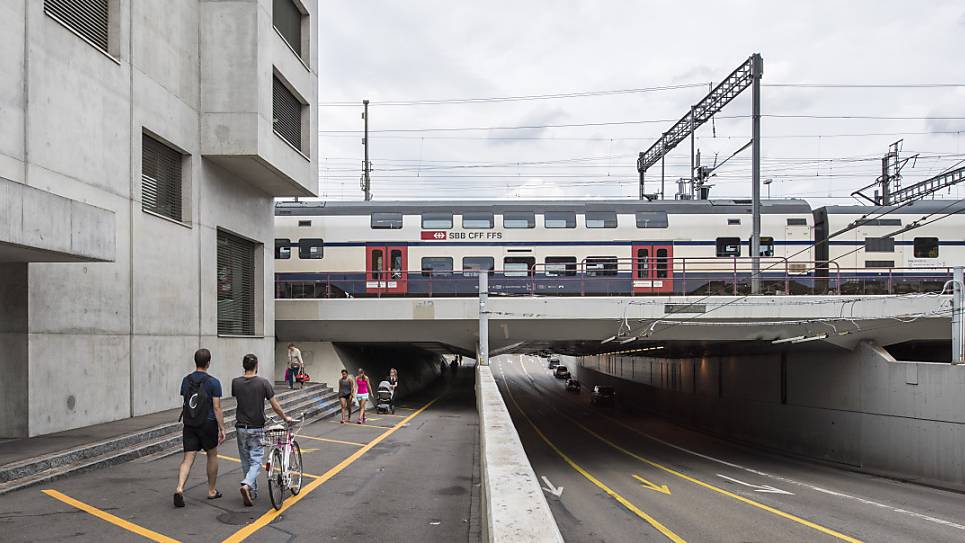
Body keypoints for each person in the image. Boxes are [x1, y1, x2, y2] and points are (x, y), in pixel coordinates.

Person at [231, 353, 292, 507]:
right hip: (256, 427)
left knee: (246, 460)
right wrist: (285, 418)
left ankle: (252, 491)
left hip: (240, 427)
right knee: (256, 460)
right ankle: (247, 485)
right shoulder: (263, 383)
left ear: (243, 365)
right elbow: (275, 405)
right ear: (256, 365)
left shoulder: (235, 383)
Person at [174, 348, 225, 508]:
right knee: (212, 455)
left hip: (190, 423)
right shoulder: (213, 382)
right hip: (208, 423)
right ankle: (211, 490)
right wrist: (222, 428)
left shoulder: (185, 380)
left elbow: (187, 400)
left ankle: (180, 487)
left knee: (187, 459)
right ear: (208, 362)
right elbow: (216, 407)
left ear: (195, 361)